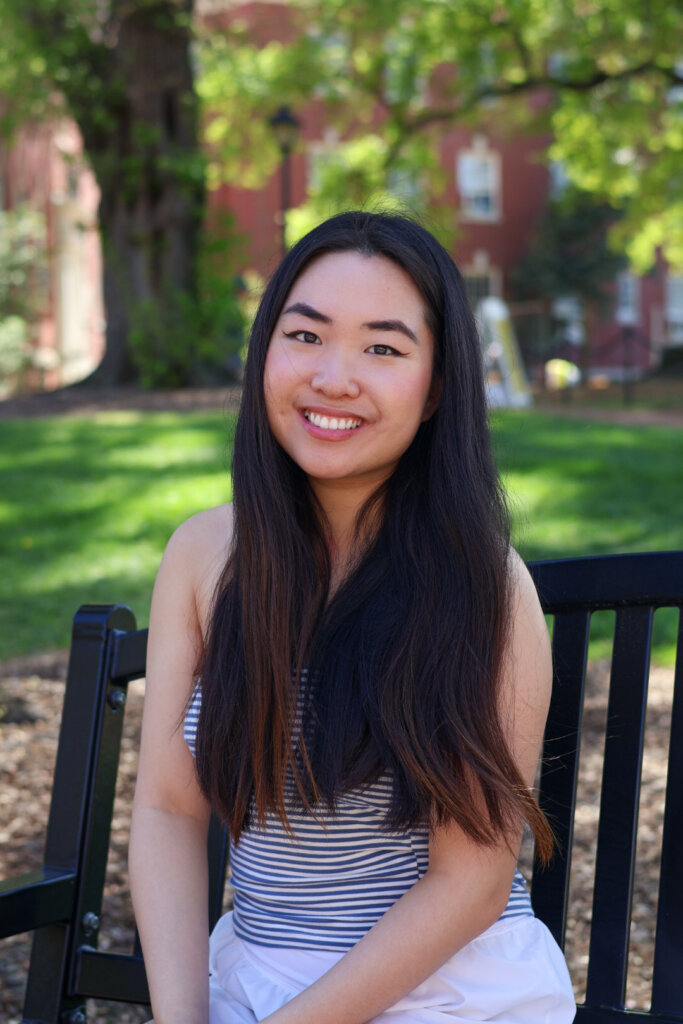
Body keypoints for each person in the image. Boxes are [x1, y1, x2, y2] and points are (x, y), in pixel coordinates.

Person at [129, 210, 575, 1024]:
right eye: (305, 336)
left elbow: (471, 882)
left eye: (382, 348)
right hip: (253, 978)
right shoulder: (204, 557)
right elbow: (166, 809)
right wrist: (181, 1017)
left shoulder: (484, 587)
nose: (334, 377)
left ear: (437, 385)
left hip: (447, 991)